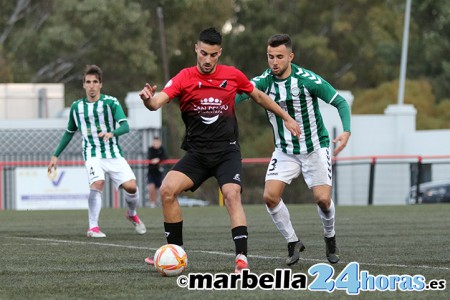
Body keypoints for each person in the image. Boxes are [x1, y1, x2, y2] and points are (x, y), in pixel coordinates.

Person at [139, 27, 300, 273]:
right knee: (167, 190)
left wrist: (286, 117)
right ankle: (175, 253)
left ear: (219, 53)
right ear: (196, 49)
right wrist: (148, 100)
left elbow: (258, 95)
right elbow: (157, 102)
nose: (207, 59)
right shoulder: (184, 77)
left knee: (232, 195)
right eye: (203, 53)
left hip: (227, 152)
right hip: (197, 154)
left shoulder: (232, 75)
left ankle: (242, 259)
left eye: (213, 55)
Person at [236, 34, 351, 265]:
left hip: (315, 148)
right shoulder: (264, 82)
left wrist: (346, 131)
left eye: (279, 57)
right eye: (270, 57)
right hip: (284, 151)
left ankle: (330, 238)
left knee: (322, 200)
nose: (274, 62)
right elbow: (239, 96)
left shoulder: (307, 80)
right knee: (269, 196)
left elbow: (340, 102)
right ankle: (292, 241)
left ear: (291, 56)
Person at [47, 65, 146, 238]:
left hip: (113, 153)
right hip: (92, 154)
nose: (91, 85)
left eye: (95, 82)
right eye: (88, 82)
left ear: (100, 84)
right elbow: (69, 133)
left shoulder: (111, 102)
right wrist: (55, 155)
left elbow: (125, 126)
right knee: (98, 183)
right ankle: (93, 227)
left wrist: (112, 133)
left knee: (131, 187)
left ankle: (131, 214)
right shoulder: (77, 107)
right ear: (83, 85)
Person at [147, 136, 167, 208]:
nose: (155, 143)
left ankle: (158, 202)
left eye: (157, 142)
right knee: (151, 188)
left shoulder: (162, 149)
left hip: (159, 172)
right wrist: (154, 160)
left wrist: (158, 159)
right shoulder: (150, 149)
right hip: (151, 172)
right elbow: (149, 157)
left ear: (160, 142)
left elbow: (165, 157)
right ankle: (152, 203)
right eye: (154, 142)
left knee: (159, 189)